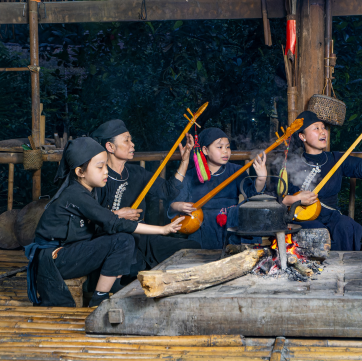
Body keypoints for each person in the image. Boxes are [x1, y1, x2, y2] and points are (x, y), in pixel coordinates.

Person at [24, 138, 185, 308]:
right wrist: (163, 229)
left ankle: (105, 293)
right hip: (56, 258)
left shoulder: (87, 191)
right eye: (100, 167)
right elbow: (114, 222)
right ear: (80, 172)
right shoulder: (75, 193)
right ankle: (98, 302)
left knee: (120, 237)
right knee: (122, 239)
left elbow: (107, 222)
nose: (106, 171)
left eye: (106, 166)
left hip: (70, 253)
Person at [90, 119, 200, 271]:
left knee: (192, 248)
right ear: (110, 146)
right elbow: (90, 221)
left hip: (143, 239)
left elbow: (169, 191)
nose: (132, 144)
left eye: (131, 139)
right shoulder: (99, 177)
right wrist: (117, 215)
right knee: (134, 264)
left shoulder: (137, 173)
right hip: (113, 242)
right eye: (126, 140)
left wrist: (185, 160)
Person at [282, 111, 362, 251]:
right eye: (316, 128)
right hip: (302, 217)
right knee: (316, 230)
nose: (323, 132)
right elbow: (274, 197)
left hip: (331, 215)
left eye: (323, 127)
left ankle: (344, 268)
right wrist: (296, 199)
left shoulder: (336, 159)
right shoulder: (290, 163)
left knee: (347, 226)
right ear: (302, 136)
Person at [168, 127, 268, 249]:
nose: (225, 151)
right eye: (219, 147)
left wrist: (261, 179)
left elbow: (252, 194)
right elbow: (173, 202)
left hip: (230, 222)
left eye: (227, 147)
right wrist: (178, 206)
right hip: (202, 224)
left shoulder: (236, 170)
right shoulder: (191, 174)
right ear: (205, 150)